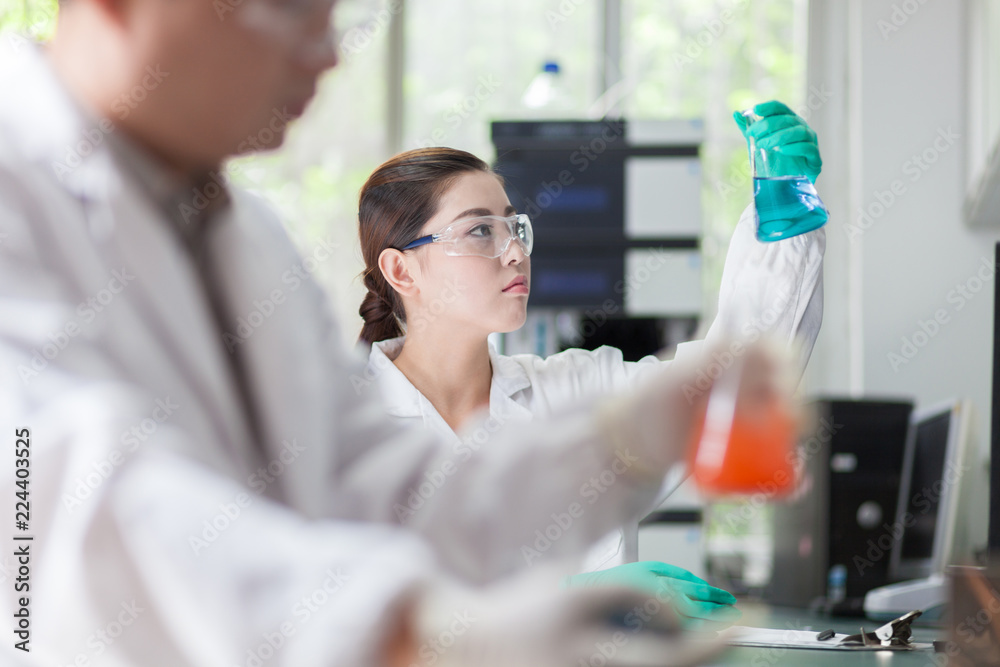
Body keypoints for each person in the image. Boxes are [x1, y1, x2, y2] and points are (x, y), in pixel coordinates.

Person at [0, 0, 790, 665]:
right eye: (288, 9)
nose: (325, 54)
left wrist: (622, 437)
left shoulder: (244, 235)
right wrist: (435, 632)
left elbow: (377, 486)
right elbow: (77, 506)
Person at [355, 128, 825, 623]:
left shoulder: (574, 389)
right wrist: (568, 595)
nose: (515, 251)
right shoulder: (346, 438)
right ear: (402, 272)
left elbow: (724, 389)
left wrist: (782, 223)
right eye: (479, 231)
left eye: (514, 228)